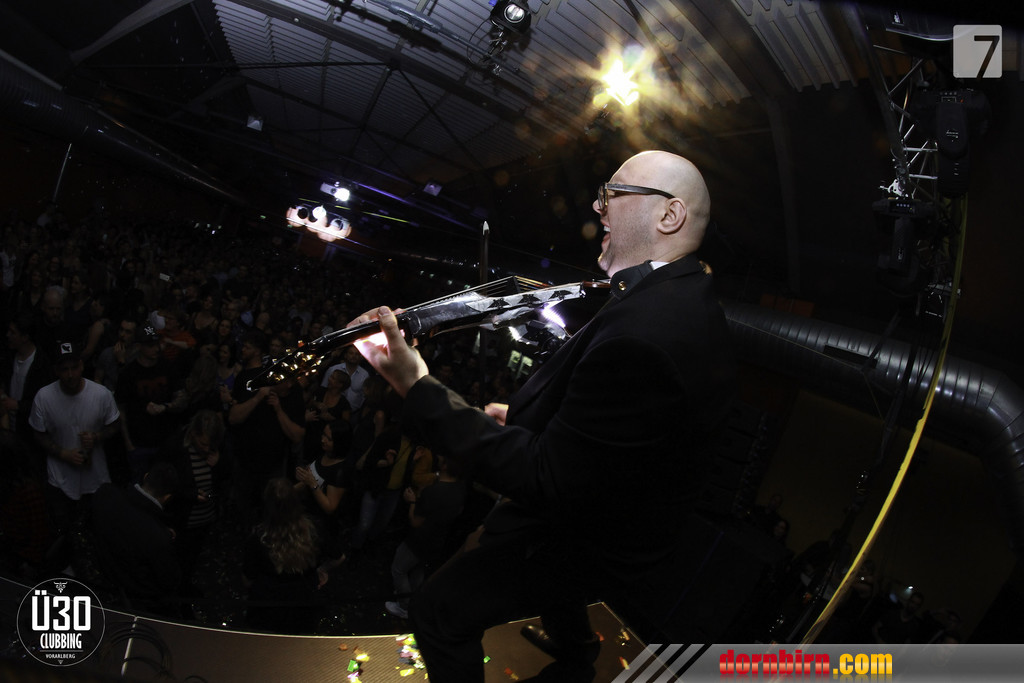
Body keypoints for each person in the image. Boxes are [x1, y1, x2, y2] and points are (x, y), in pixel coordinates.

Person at [350, 150, 736, 682]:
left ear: (669, 215)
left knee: (438, 613)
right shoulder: (675, 296)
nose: (599, 208)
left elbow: (546, 478)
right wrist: (527, 416)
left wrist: (414, 385)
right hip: (621, 522)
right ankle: (577, 655)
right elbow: (622, 433)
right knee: (555, 592)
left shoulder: (651, 330)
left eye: (614, 194)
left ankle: (575, 661)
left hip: (592, 541)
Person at [29, 340, 121, 572]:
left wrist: (97, 437)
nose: (70, 375)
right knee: (63, 530)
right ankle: (65, 569)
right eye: (64, 369)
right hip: (60, 479)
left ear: (81, 365)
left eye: (74, 368)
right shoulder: (44, 397)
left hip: (95, 477)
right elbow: (38, 433)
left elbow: (114, 425)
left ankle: (97, 572)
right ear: (56, 370)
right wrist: (63, 453)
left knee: (95, 528)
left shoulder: (100, 395)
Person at [91, 460, 181, 612]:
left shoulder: (105, 493)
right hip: (135, 599)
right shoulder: (158, 537)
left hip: (102, 578)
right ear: (167, 497)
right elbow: (168, 580)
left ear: (145, 477)